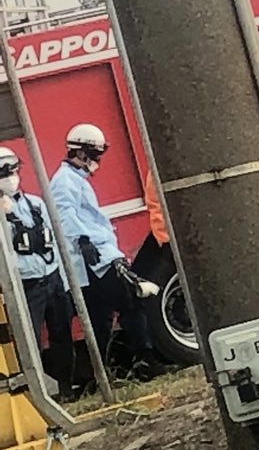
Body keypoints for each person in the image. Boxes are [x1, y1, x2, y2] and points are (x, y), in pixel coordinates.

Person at [49, 121, 156, 377]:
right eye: (95, 154)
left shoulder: (76, 179)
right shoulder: (65, 181)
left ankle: (100, 373)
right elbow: (63, 215)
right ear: (81, 151)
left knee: (100, 319)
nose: (98, 160)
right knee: (129, 304)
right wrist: (83, 240)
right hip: (94, 258)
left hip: (95, 258)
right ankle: (147, 361)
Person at [0, 148, 73, 390]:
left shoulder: (36, 204)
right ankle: (39, 391)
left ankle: (65, 387)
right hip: (25, 285)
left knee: (62, 334)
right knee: (30, 341)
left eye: (12, 169)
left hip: (52, 278)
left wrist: (64, 281)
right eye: (4, 172)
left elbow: (54, 240)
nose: (10, 176)